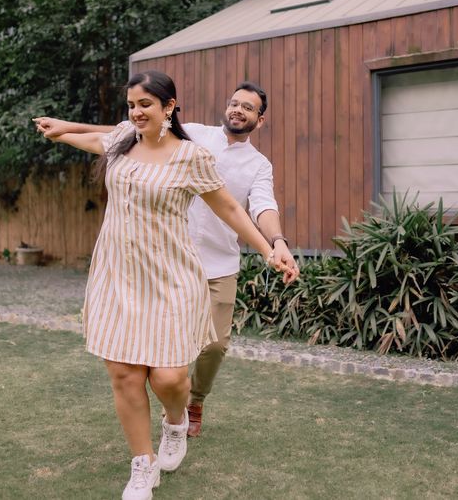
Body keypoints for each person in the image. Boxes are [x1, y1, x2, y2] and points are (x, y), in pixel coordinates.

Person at [35, 71, 293, 500]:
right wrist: (63, 131)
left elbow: (231, 206)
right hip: (118, 272)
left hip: (172, 274)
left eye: (146, 104)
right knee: (123, 372)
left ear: (170, 107)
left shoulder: (194, 154)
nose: (136, 112)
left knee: (171, 377)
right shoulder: (124, 138)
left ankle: (176, 421)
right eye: (131, 104)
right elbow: (100, 139)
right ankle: (143, 464)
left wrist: (271, 248)